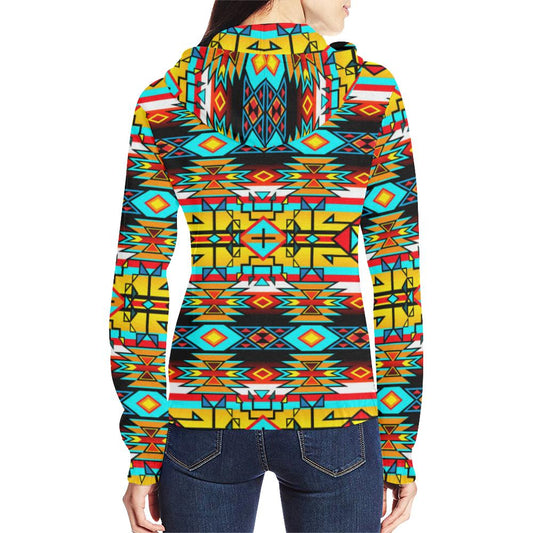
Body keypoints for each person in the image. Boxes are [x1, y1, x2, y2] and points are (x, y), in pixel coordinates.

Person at [108, 0, 424, 531]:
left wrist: (143, 449)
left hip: (203, 408)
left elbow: (138, 281)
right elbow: (398, 278)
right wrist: (396, 446)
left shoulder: (164, 100)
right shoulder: (372, 95)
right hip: (335, 406)